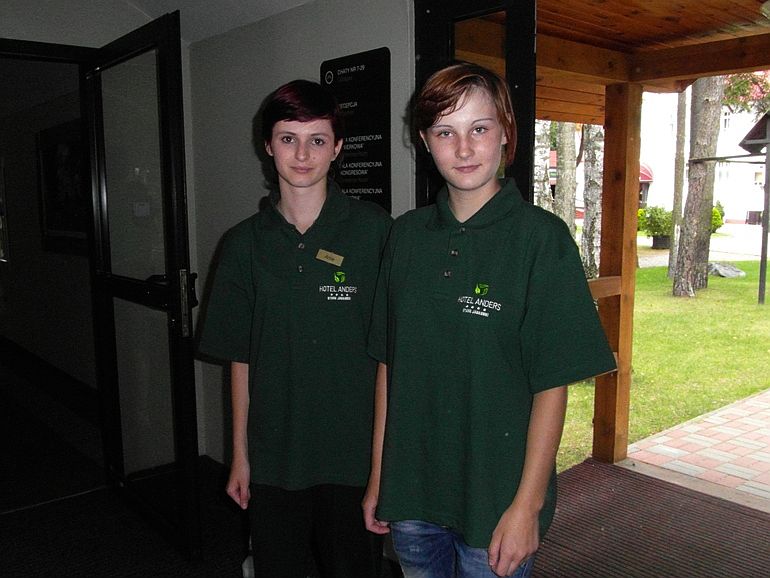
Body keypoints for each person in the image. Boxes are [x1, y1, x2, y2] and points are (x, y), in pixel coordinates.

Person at [362, 62, 617, 578]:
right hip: (412, 493)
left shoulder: (541, 240)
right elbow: (390, 366)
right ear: (425, 141)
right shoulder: (405, 236)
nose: (463, 148)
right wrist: (379, 479)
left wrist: (527, 506)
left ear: (505, 132)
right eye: (445, 132)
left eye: (479, 128)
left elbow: (552, 386)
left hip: (496, 501)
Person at [198, 79, 391, 578]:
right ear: (268, 145)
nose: (302, 154)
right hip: (274, 458)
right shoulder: (242, 244)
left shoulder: (375, 232)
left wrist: (380, 470)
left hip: (351, 458)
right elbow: (240, 358)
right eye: (288, 138)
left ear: (338, 148)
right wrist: (240, 457)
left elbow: (388, 361)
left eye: (317, 140)